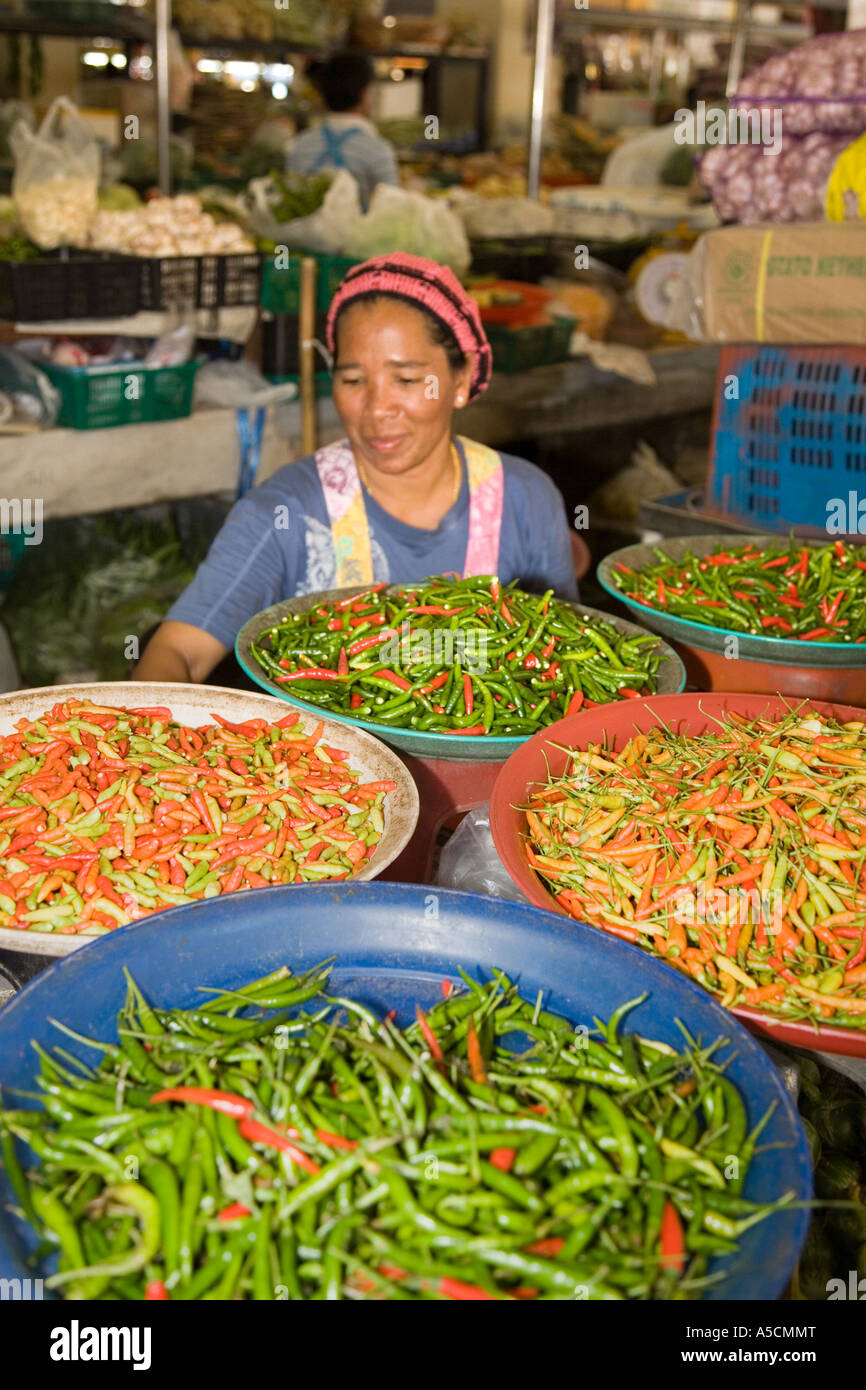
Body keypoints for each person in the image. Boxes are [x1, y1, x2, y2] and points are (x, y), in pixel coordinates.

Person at [134, 253, 578, 686]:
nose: (377, 409)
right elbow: (178, 653)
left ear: (461, 381)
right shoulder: (285, 512)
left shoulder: (526, 498)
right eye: (352, 381)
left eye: (406, 380)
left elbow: (565, 657)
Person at [286, 51, 398, 210]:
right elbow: (393, 207)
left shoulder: (299, 145)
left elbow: (291, 201)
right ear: (365, 94)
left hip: (304, 235)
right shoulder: (377, 150)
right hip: (361, 235)